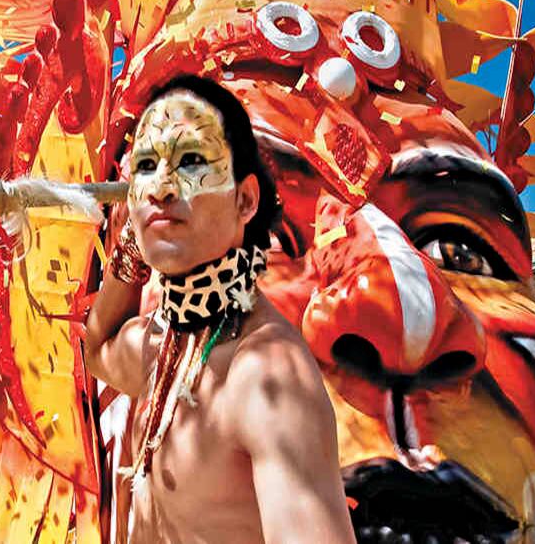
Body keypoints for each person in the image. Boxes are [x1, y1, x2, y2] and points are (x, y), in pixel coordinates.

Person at [85, 75, 356, 544]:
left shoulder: (266, 372)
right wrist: (130, 245)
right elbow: (96, 348)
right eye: (146, 166)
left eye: (191, 161)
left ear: (245, 200)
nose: (161, 189)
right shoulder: (162, 344)